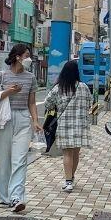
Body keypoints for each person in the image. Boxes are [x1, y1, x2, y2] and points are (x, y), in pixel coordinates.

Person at [0, 44, 41, 213]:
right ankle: (4, 198)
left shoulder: (30, 77)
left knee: (20, 160)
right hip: (4, 119)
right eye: (26, 55)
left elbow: (32, 102)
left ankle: (16, 197)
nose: (29, 59)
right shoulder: (1, 76)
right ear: (18, 57)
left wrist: (35, 120)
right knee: (3, 160)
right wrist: (9, 92)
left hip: (23, 119)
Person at [43, 59, 93, 193]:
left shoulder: (59, 88)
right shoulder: (84, 87)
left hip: (64, 125)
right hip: (80, 125)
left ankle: (68, 181)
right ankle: (71, 178)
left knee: (67, 154)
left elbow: (47, 104)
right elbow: (90, 103)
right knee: (76, 153)